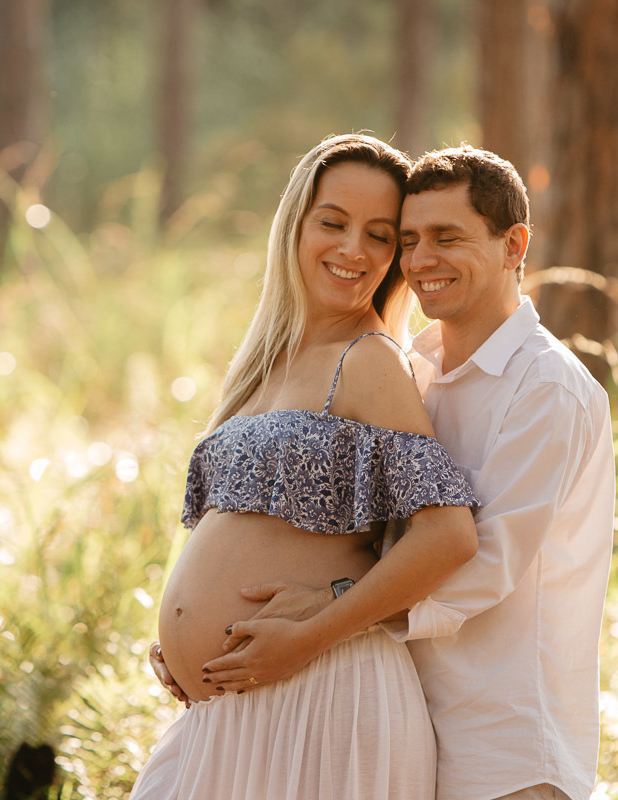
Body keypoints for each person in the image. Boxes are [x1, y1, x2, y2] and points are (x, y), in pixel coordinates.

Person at [189, 145, 615, 800]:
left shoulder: (547, 388)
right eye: (410, 240)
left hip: (504, 747)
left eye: (447, 237)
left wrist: (324, 615)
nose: (420, 261)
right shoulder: (416, 371)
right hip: (405, 714)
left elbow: (483, 561)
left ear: (513, 245)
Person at [131, 134, 481, 799]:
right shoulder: (264, 367)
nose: (354, 249)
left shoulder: (369, 360)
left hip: (323, 698)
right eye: (333, 222)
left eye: (380, 236)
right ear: (295, 223)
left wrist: (313, 629)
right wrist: (182, 645)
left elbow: (450, 534)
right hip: (237, 706)